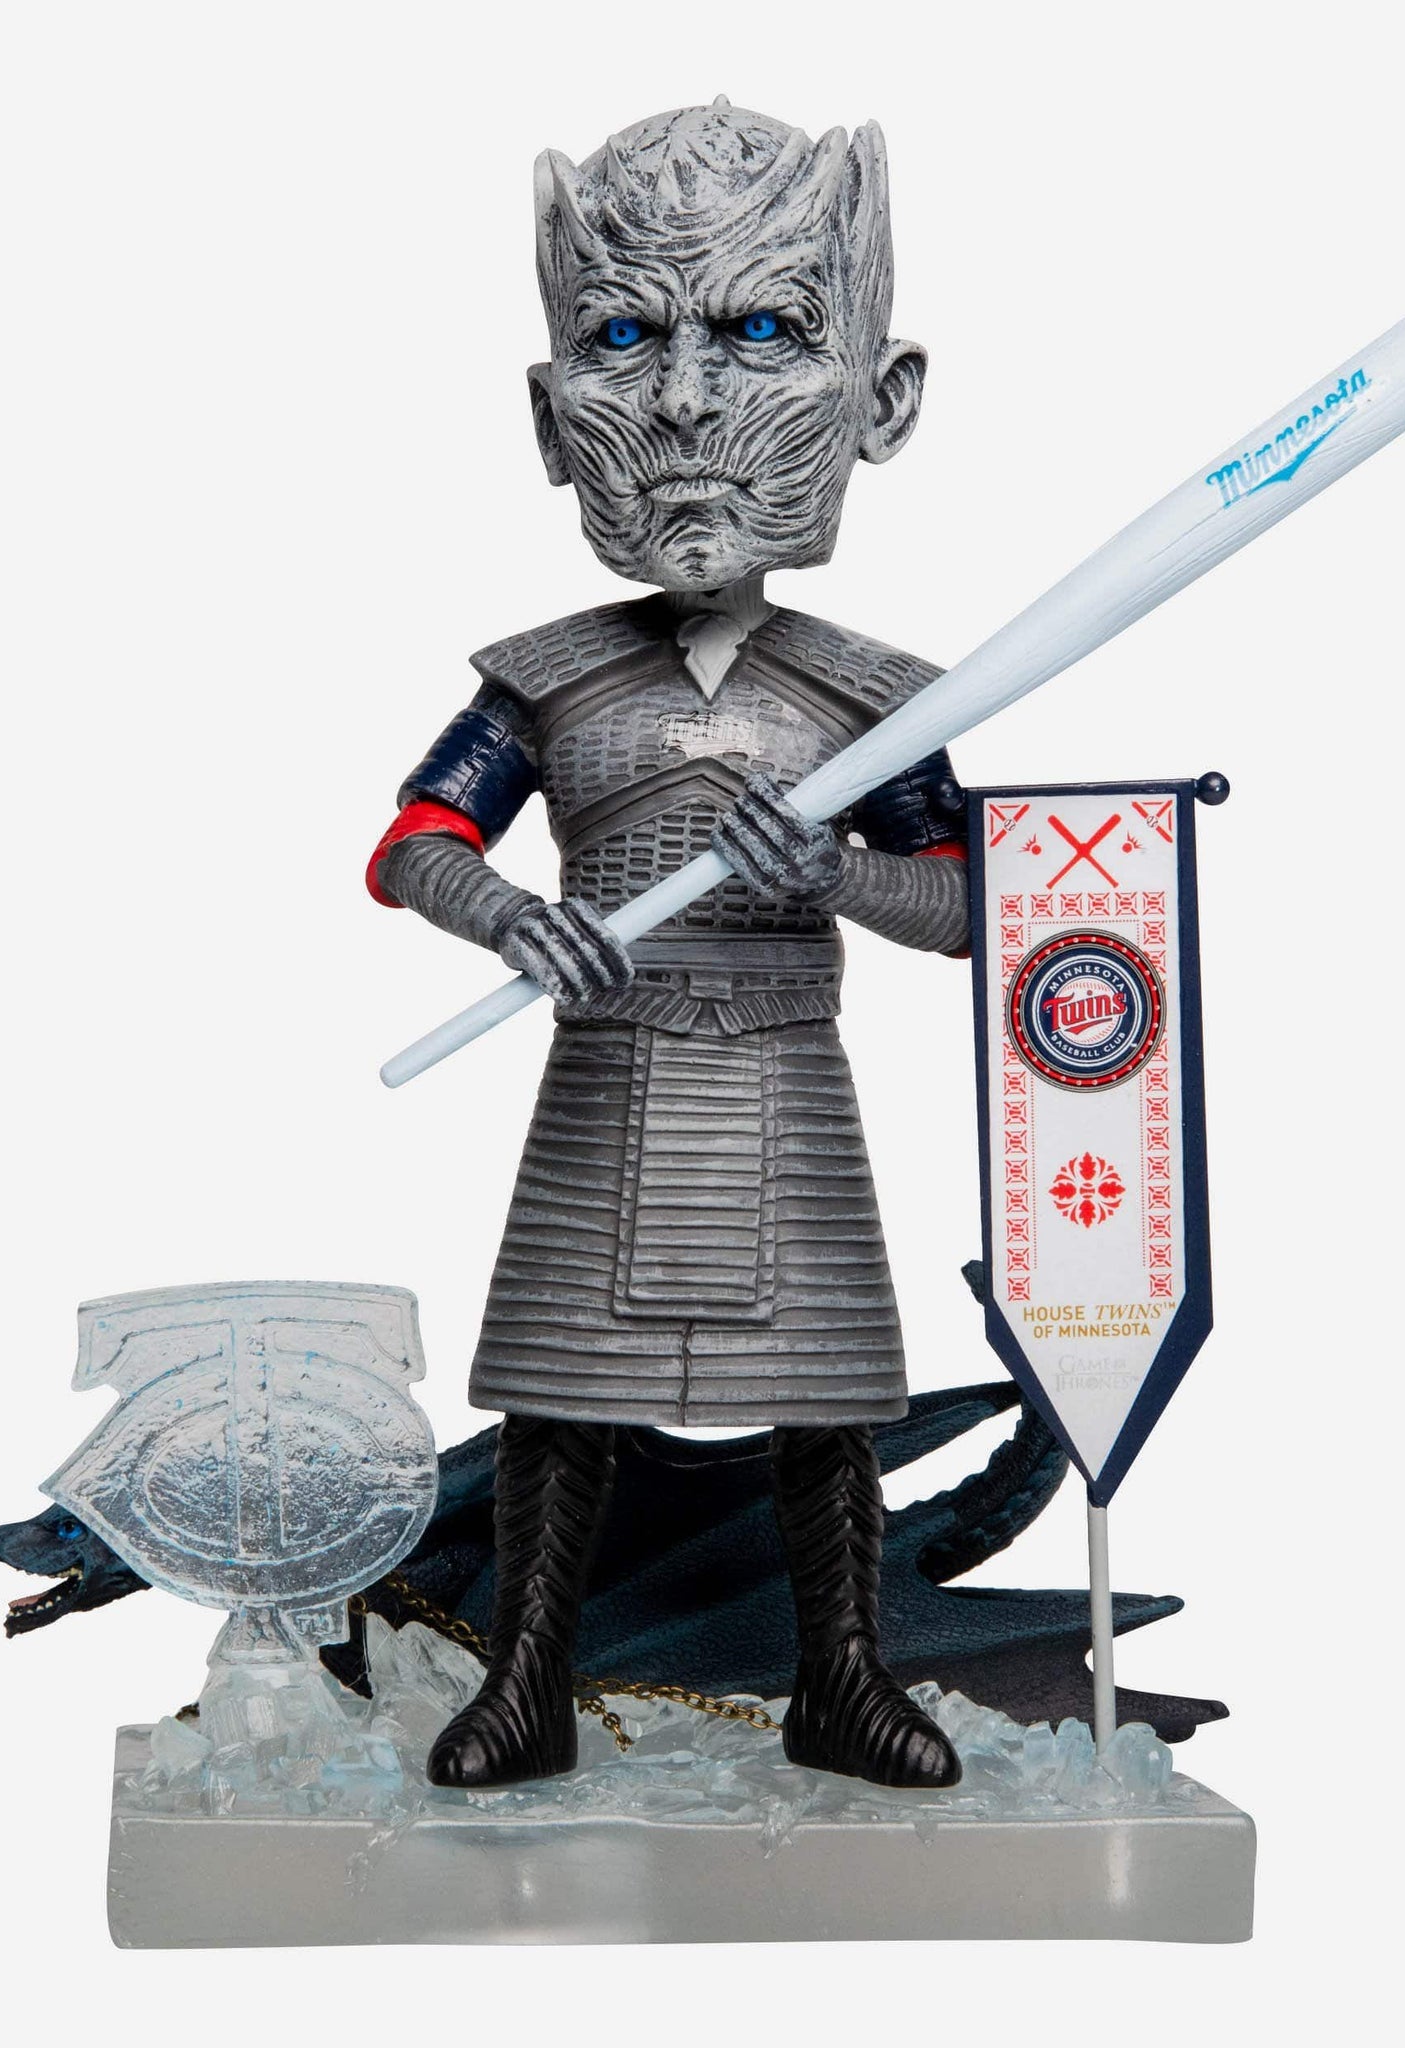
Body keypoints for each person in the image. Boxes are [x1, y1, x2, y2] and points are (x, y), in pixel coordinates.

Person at [370, 100, 970, 1790]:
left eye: (763, 332)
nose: (690, 402)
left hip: (786, 1077)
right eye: (629, 340)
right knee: (562, 1397)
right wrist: (509, 914)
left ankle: (841, 1679)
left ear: (882, 397)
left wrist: (840, 874)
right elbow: (414, 843)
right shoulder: (549, 681)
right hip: (607, 1071)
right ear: (553, 415)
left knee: (826, 1400)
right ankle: (527, 1682)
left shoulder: (869, 698)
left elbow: (972, 906)